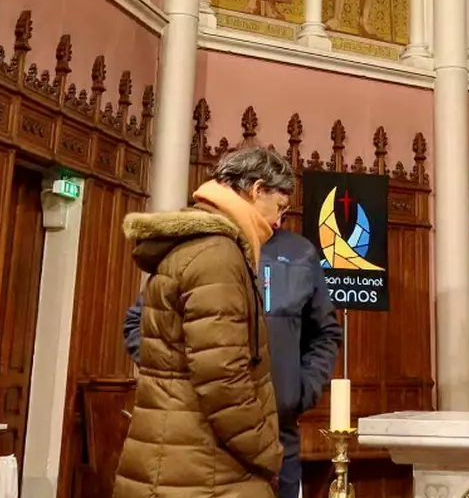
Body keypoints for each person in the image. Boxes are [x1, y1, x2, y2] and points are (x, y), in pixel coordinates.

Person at [124, 149, 343, 498]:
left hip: (230, 435)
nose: (277, 221)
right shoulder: (217, 253)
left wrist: (296, 394)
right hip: (211, 444)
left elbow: (324, 333)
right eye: (279, 206)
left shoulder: (220, 246)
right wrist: (266, 453)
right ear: (257, 190)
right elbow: (222, 378)